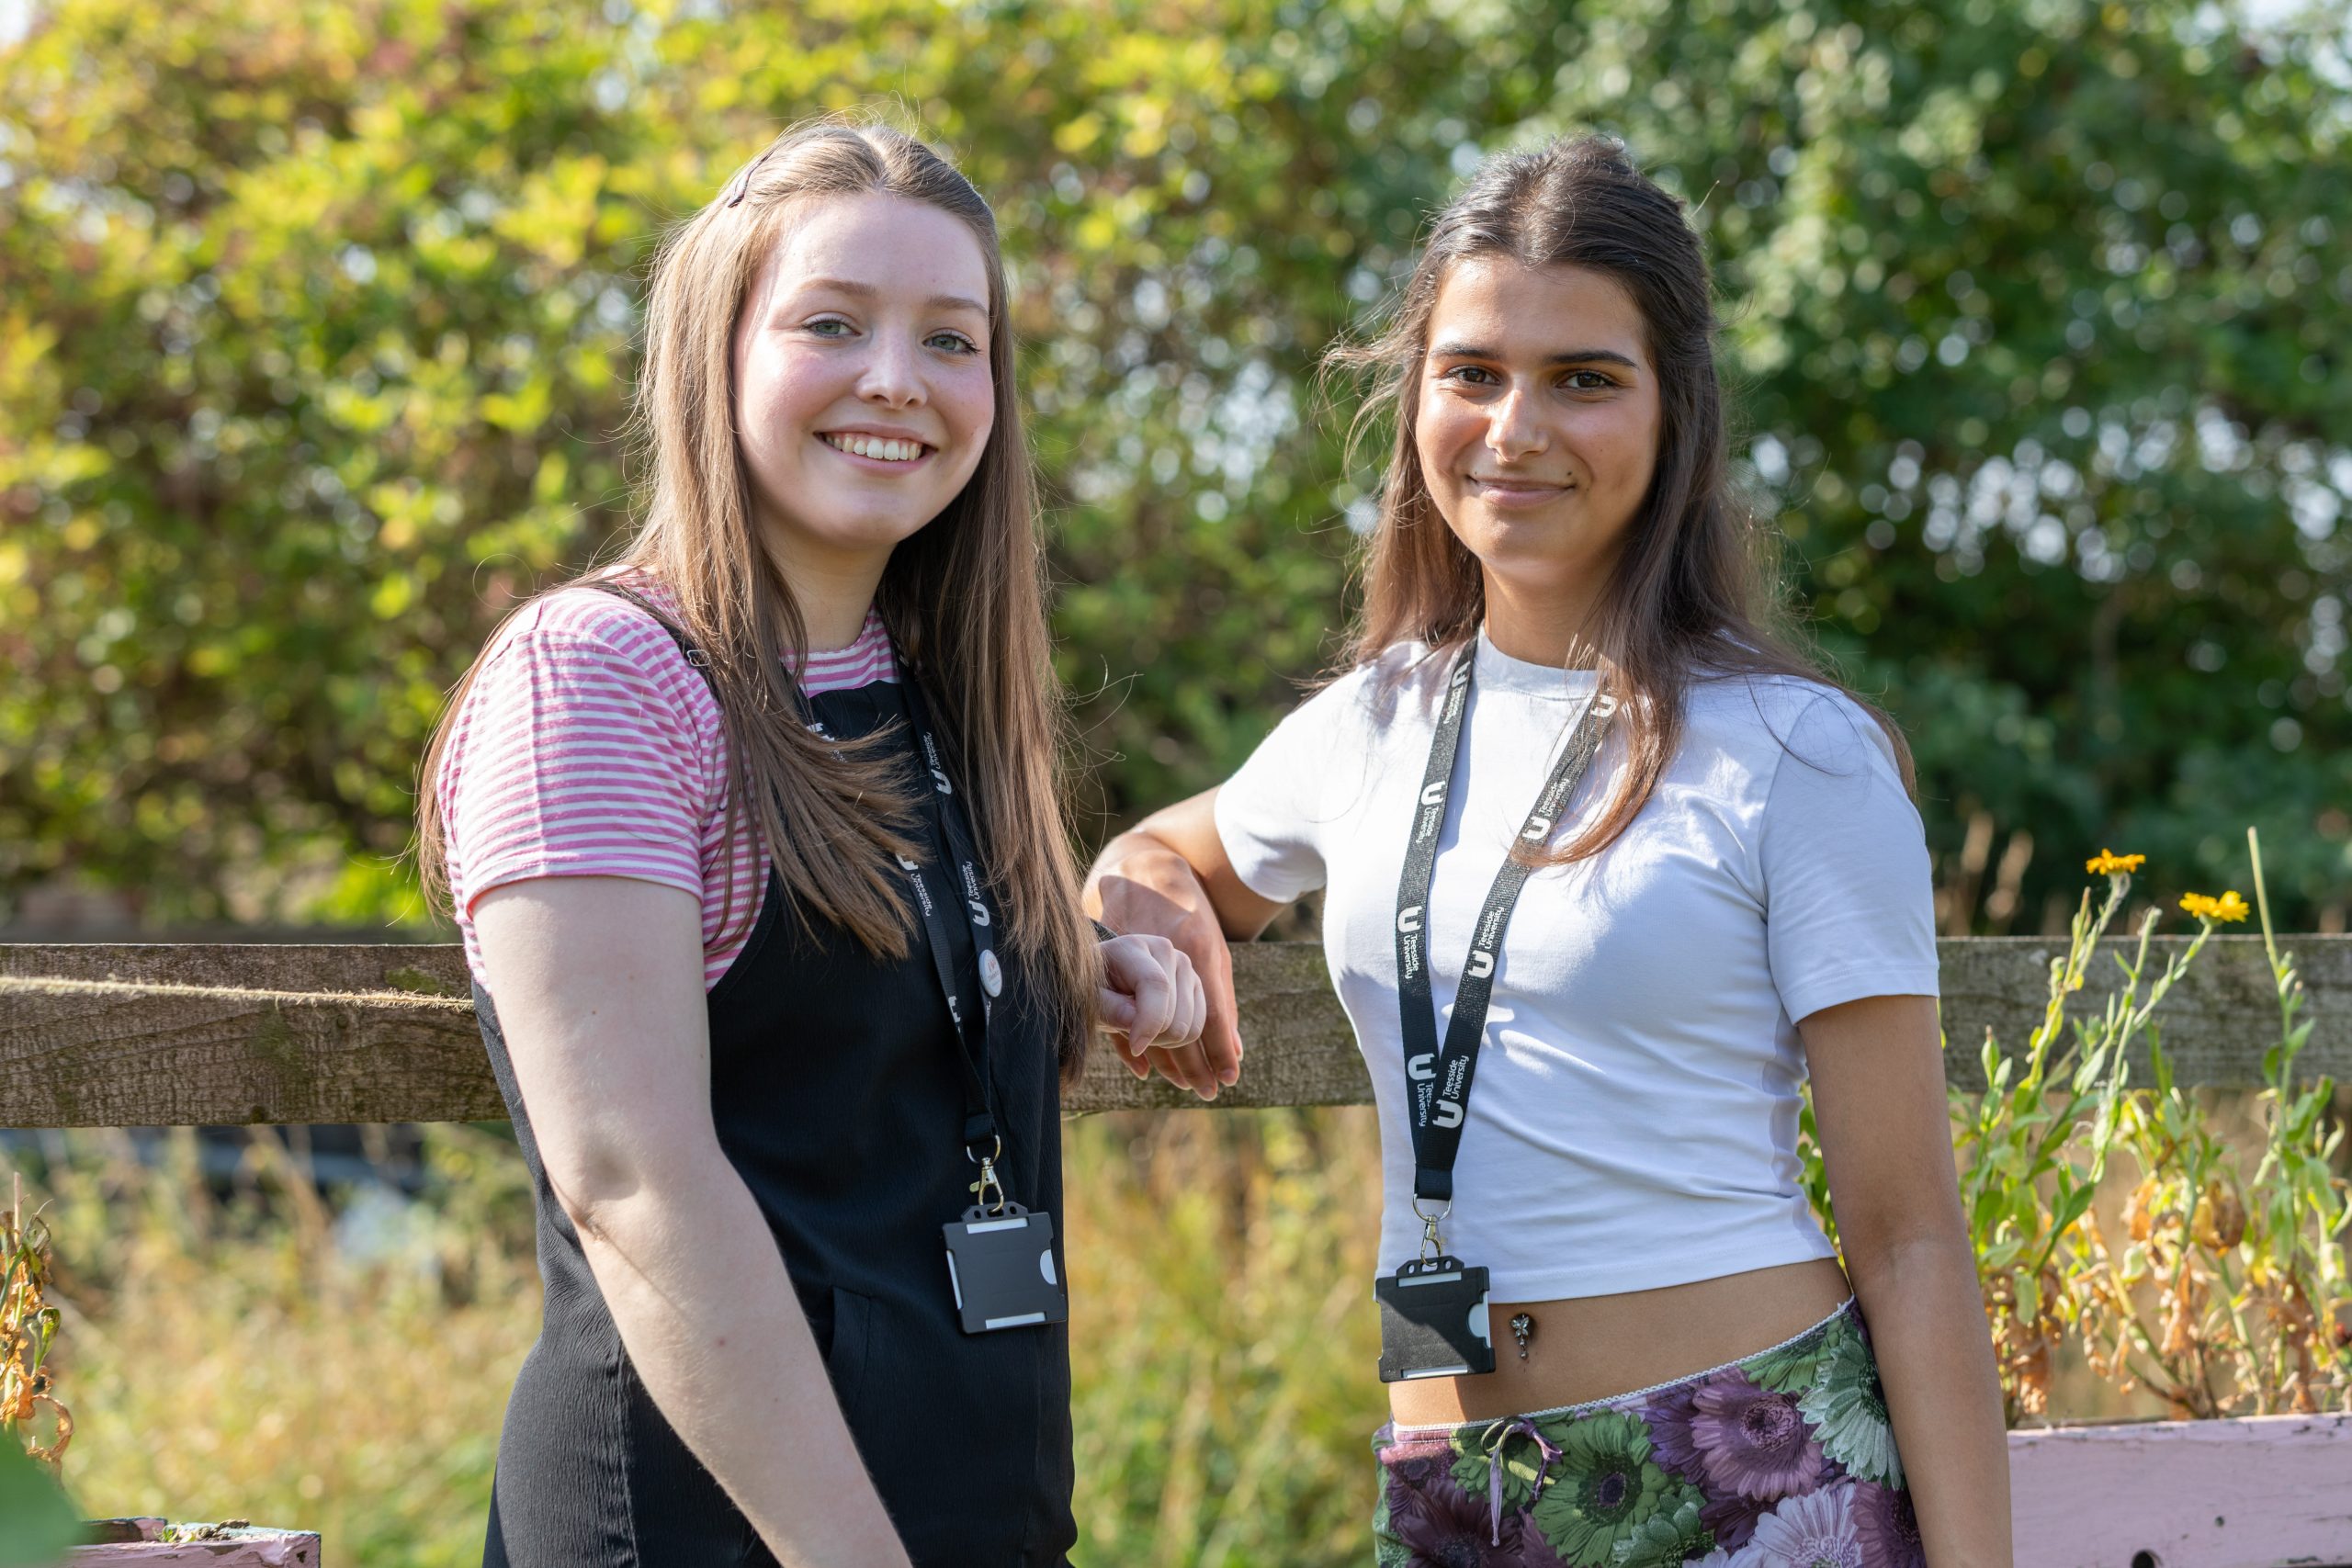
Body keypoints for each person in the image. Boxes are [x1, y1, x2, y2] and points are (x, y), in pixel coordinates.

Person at [1085, 137, 2011, 1565]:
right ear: (1415, 401)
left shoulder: (1795, 752)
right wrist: (1142, 920)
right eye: (1472, 373)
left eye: (1584, 377)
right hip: (1453, 1488)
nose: (1516, 428)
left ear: (1675, 412)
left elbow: (1909, 1239)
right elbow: (1164, 847)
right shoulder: (1370, 723)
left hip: (1751, 1465)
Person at [416, 118, 1206, 1568]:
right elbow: (634, 1185)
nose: (896, 380)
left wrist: (1061, 961)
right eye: (831, 323)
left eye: (951, 339)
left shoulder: (931, 683)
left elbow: (840, 1008)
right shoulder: (599, 679)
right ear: (716, 352)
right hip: (718, 1531)